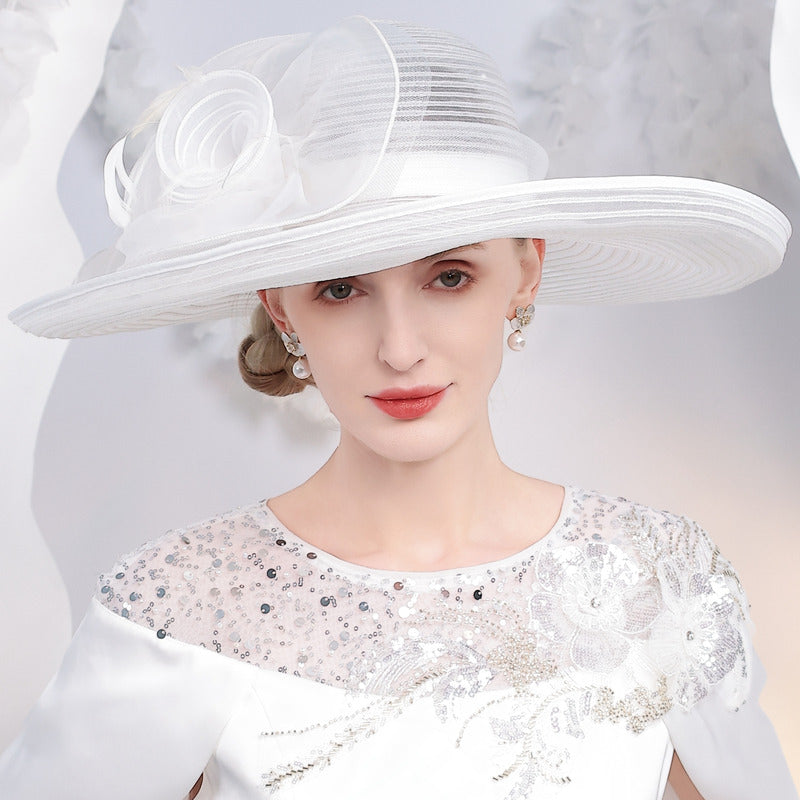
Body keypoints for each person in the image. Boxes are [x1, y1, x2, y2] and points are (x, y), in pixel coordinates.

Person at [1, 16, 797, 800]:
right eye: (341, 288)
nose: (400, 348)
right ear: (280, 307)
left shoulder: (660, 578)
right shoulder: (182, 603)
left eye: (449, 277)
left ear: (525, 273)